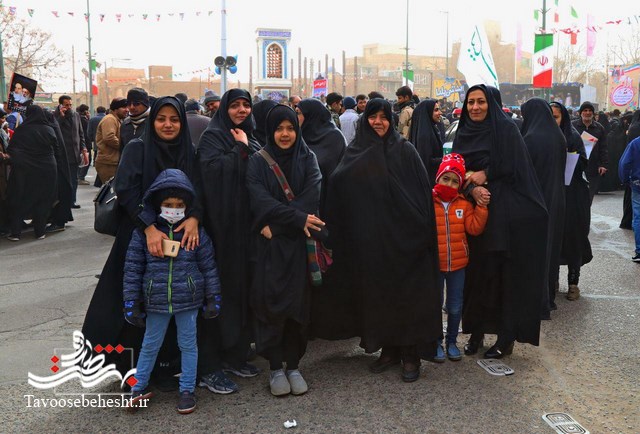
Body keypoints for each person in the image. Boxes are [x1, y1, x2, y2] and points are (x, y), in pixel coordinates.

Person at [317, 98, 441, 382]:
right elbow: (339, 184)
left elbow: (421, 195)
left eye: (384, 117)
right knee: (380, 296)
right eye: (373, 117)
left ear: (391, 120)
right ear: (365, 120)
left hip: (405, 242)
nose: (378, 122)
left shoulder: (404, 150)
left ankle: (410, 354)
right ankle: (389, 348)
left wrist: (415, 232)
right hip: (372, 244)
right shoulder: (356, 150)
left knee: (407, 296)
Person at [82, 96, 201, 387]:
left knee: (173, 299)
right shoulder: (138, 148)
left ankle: (167, 365)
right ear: (153, 121)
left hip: (176, 238)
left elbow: (200, 189)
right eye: (161, 119)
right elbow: (127, 190)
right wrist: (148, 227)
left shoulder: (188, 150)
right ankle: (129, 368)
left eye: (174, 119)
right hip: (139, 235)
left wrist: (195, 218)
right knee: (135, 300)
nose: (168, 125)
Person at [452, 84, 548, 359]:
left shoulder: (506, 130)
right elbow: (456, 171)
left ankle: (506, 337)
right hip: (473, 215)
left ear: (491, 104)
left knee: (503, 277)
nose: (475, 107)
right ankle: (476, 331)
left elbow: (517, 166)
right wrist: (473, 189)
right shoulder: (463, 131)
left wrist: (487, 173)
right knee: (477, 276)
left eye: (481, 102)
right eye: (471, 102)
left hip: (505, 217)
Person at [124, 168, 221, 414]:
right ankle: (138, 387)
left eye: (179, 205)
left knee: (188, 345)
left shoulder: (196, 233)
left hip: (188, 300)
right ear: (158, 204)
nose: (173, 209)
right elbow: (132, 270)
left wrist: (213, 297)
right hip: (156, 301)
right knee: (150, 345)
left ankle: (187, 390)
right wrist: (131, 302)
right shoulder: (142, 235)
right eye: (168, 204)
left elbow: (208, 266)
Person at [246, 104, 322, 396]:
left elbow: (311, 197)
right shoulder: (258, 162)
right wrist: (296, 219)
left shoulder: (308, 158)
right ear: (270, 131)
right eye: (279, 128)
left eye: (290, 128)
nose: (285, 134)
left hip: (296, 246)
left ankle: (294, 365)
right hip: (269, 250)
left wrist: (278, 226)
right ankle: (276, 367)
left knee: (297, 307)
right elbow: (259, 200)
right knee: (271, 306)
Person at [196, 89, 261, 395]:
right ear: (224, 109)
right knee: (223, 291)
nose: (241, 110)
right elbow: (211, 174)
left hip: (247, 228)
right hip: (222, 229)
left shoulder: (251, 135)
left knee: (244, 290)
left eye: (246, 105)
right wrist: (240, 149)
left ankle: (237, 353)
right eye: (235, 105)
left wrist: (245, 146)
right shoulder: (213, 137)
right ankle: (215, 360)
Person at [432, 153, 488, 361]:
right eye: (445, 178)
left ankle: (452, 341)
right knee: (435, 305)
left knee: (455, 306)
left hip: (458, 265)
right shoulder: (429, 202)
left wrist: (481, 207)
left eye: (455, 181)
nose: (449, 184)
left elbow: (474, 228)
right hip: (435, 265)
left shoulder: (463, 204)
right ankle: (436, 341)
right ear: (438, 178)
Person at [520, 98, 566, 314]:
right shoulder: (558, 136)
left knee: (535, 252)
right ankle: (548, 298)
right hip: (556, 200)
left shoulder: (530, 138)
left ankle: (535, 302)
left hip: (536, 202)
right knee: (550, 249)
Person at [550, 102, 593, 300]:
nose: (552, 121)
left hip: (574, 197)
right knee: (554, 240)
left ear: (564, 118)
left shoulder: (573, 137)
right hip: (553, 196)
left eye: (556, 117)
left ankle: (573, 283)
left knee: (573, 239)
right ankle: (552, 280)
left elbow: (583, 163)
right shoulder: (543, 137)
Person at [5, 105, 58, 241]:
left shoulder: (21, 130)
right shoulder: (49, 129)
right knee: (43, 199)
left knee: (20, 199)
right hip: (47, 169)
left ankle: (16, 233)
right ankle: (40, 232)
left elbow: (11, 150)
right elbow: (57, 149)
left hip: (25, 171)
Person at [295, 98, 346, 216]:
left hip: (327, 202)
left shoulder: (334, 137)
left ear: (311, 115)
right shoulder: (299, 137)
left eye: (298, 113)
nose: (295, 117)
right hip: (302, 205)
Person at [572, 102, 608, 203]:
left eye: (590, 111)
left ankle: (586, 213)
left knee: (588, 197)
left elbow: (603, 148)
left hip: (592, 167)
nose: (587, 113)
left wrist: (603, 164)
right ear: (580, 112)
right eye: (585, 110)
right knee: (575, 196)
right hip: (576, 165)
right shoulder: (573, 126)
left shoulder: (599, 128)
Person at [54, 95, 86, 209]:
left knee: (74, 179)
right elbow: (54, 130)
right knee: (63, 180)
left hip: (74, 153)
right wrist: (61, 117)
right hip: (62, 154)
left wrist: (84, 149)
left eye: (70, 105)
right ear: (61, 105)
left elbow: (80, 133)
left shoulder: (76, 115)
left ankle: (72, 201)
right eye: (66, 105)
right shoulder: (55, 116)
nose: (69, 107)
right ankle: (63, 202)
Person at [409, 98, 444, 186]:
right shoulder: (425, 135)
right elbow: (426, 161)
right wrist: (445, 159)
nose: (440, 113)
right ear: (427, 113)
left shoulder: (430, 129)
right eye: (436, 110)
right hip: (428, 182)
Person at [95, 98, 128, 183]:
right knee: (112, 188)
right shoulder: (110, 119)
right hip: (108, 163)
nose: (127, 110)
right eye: (124, 107)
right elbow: (109, 137)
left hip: (111, 161)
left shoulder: (116, 119)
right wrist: (125, 147)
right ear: (115, 109)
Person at [619, 135, 640, 262]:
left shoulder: (636, 143)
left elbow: (624, 163)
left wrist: (625, 179)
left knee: (638, 217)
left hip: (638, 184)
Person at [621, 111, 640, 229]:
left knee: (637, 214)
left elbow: (625, 162)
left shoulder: (633, 129)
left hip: (635, 176)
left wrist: (625, 178)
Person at [87, 106, 107, 186]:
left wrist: (92, 140)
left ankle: (99, 178)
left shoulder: (92, 119)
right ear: (105, 111)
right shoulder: (108, 118)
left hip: (96, 143)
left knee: (97, 160)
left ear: (97, 111)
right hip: (106, 145)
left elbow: (89, 132)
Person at [76, 104, 92, 185]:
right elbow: (87, 131)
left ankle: (79, 176)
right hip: (85, 142)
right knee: (86, 159)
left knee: (81, 159)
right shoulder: (84, 120)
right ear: (85, 111)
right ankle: (81, 177)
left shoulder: (77, 118)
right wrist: (88, 119)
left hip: (80, 142)